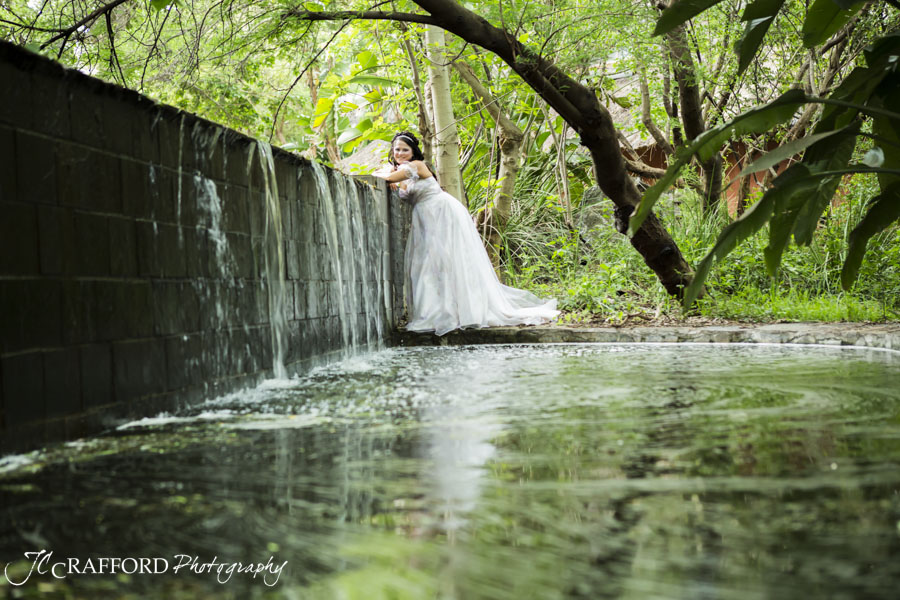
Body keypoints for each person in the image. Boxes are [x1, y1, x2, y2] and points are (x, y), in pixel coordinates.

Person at [374, 131, 559, 336]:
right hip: (426, 219)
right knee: (429, 264)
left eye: (404, 149)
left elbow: (389, 177)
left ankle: (455, 311)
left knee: (446, 260)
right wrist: (394, 179)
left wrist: (388, 174)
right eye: (397, 149)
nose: (399, 153)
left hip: (441, 213)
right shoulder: (404, 170)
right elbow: (397, 182)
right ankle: (436, 311)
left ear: (413, 152)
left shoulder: (417, 166)